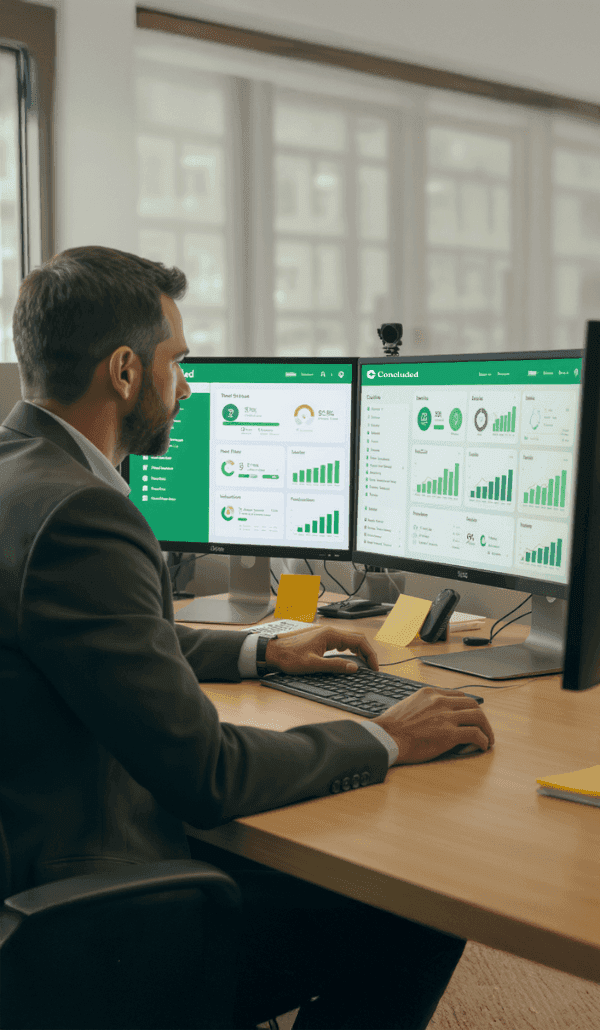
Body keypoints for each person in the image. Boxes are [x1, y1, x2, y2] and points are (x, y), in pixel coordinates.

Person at [0, 246, 494, 1029]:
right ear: (126, 371)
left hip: (24, 874)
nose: (187, 386)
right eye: (179, 362)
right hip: (86, 920)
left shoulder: (19, 478)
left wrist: (260, 649)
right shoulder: (83, 516)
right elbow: (209, 773)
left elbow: (97, 643)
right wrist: (385, 736)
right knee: (414, 912)